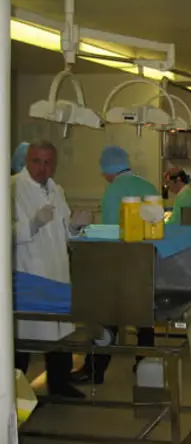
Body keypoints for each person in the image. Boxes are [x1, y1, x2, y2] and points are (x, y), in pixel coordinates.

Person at [71, 146, 159, 385]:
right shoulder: (148, 187)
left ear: (108, 170)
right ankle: (146, 366)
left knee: (107, 317)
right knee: (144, 319)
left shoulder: (114, 192)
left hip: (120, 263)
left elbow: (110, 235)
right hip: (146, 262)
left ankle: (94, 370)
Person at [13, 140, 92, 398]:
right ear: (26, 160)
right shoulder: (12, 188)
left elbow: (64, 232)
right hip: (29, 275)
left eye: (48, 162)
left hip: (56, 271)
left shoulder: (56, 189)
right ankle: (13, 393)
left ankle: (59, 384)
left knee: (59, 333)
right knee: (23, 338)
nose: (42, 168)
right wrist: (32, 224)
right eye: (37, 161)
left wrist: (75, 226)